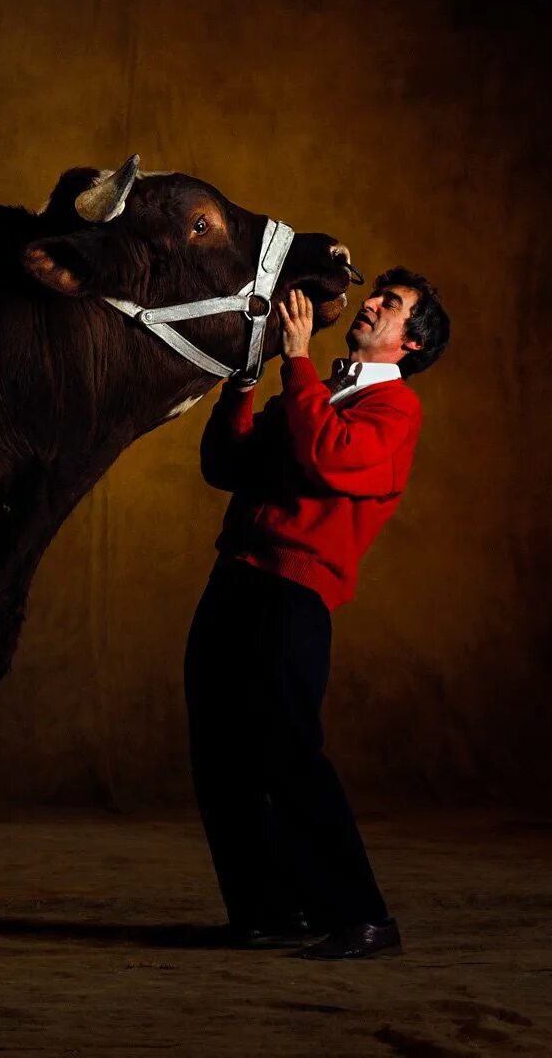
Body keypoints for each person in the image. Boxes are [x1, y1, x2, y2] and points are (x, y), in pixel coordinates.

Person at [187, 268, 450, 960]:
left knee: (288, 752)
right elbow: (227, 463)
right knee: (220, 755)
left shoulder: (395, 412)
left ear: (411, 343)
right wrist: (247, 380)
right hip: (235, 579)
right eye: (377, 295)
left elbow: (329, 455)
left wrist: (297, 361)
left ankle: (363, 916)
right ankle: (266, 911)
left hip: (293, 593)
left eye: (389, 305)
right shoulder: (319, 391)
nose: (369, 305)